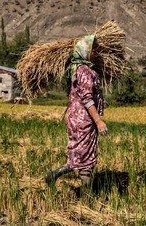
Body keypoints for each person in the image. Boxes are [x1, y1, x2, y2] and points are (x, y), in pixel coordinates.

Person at [45, 35, 108, 190]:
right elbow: (87, 99)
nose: (96, 53)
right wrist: (99, 121)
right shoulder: (85, 71)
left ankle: (53, 175)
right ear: (85, 51)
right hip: (84, 121)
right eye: (94, 50)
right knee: (85, 157)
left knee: (79, 154)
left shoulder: (76, 69)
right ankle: (86, 196)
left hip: (76, 120)